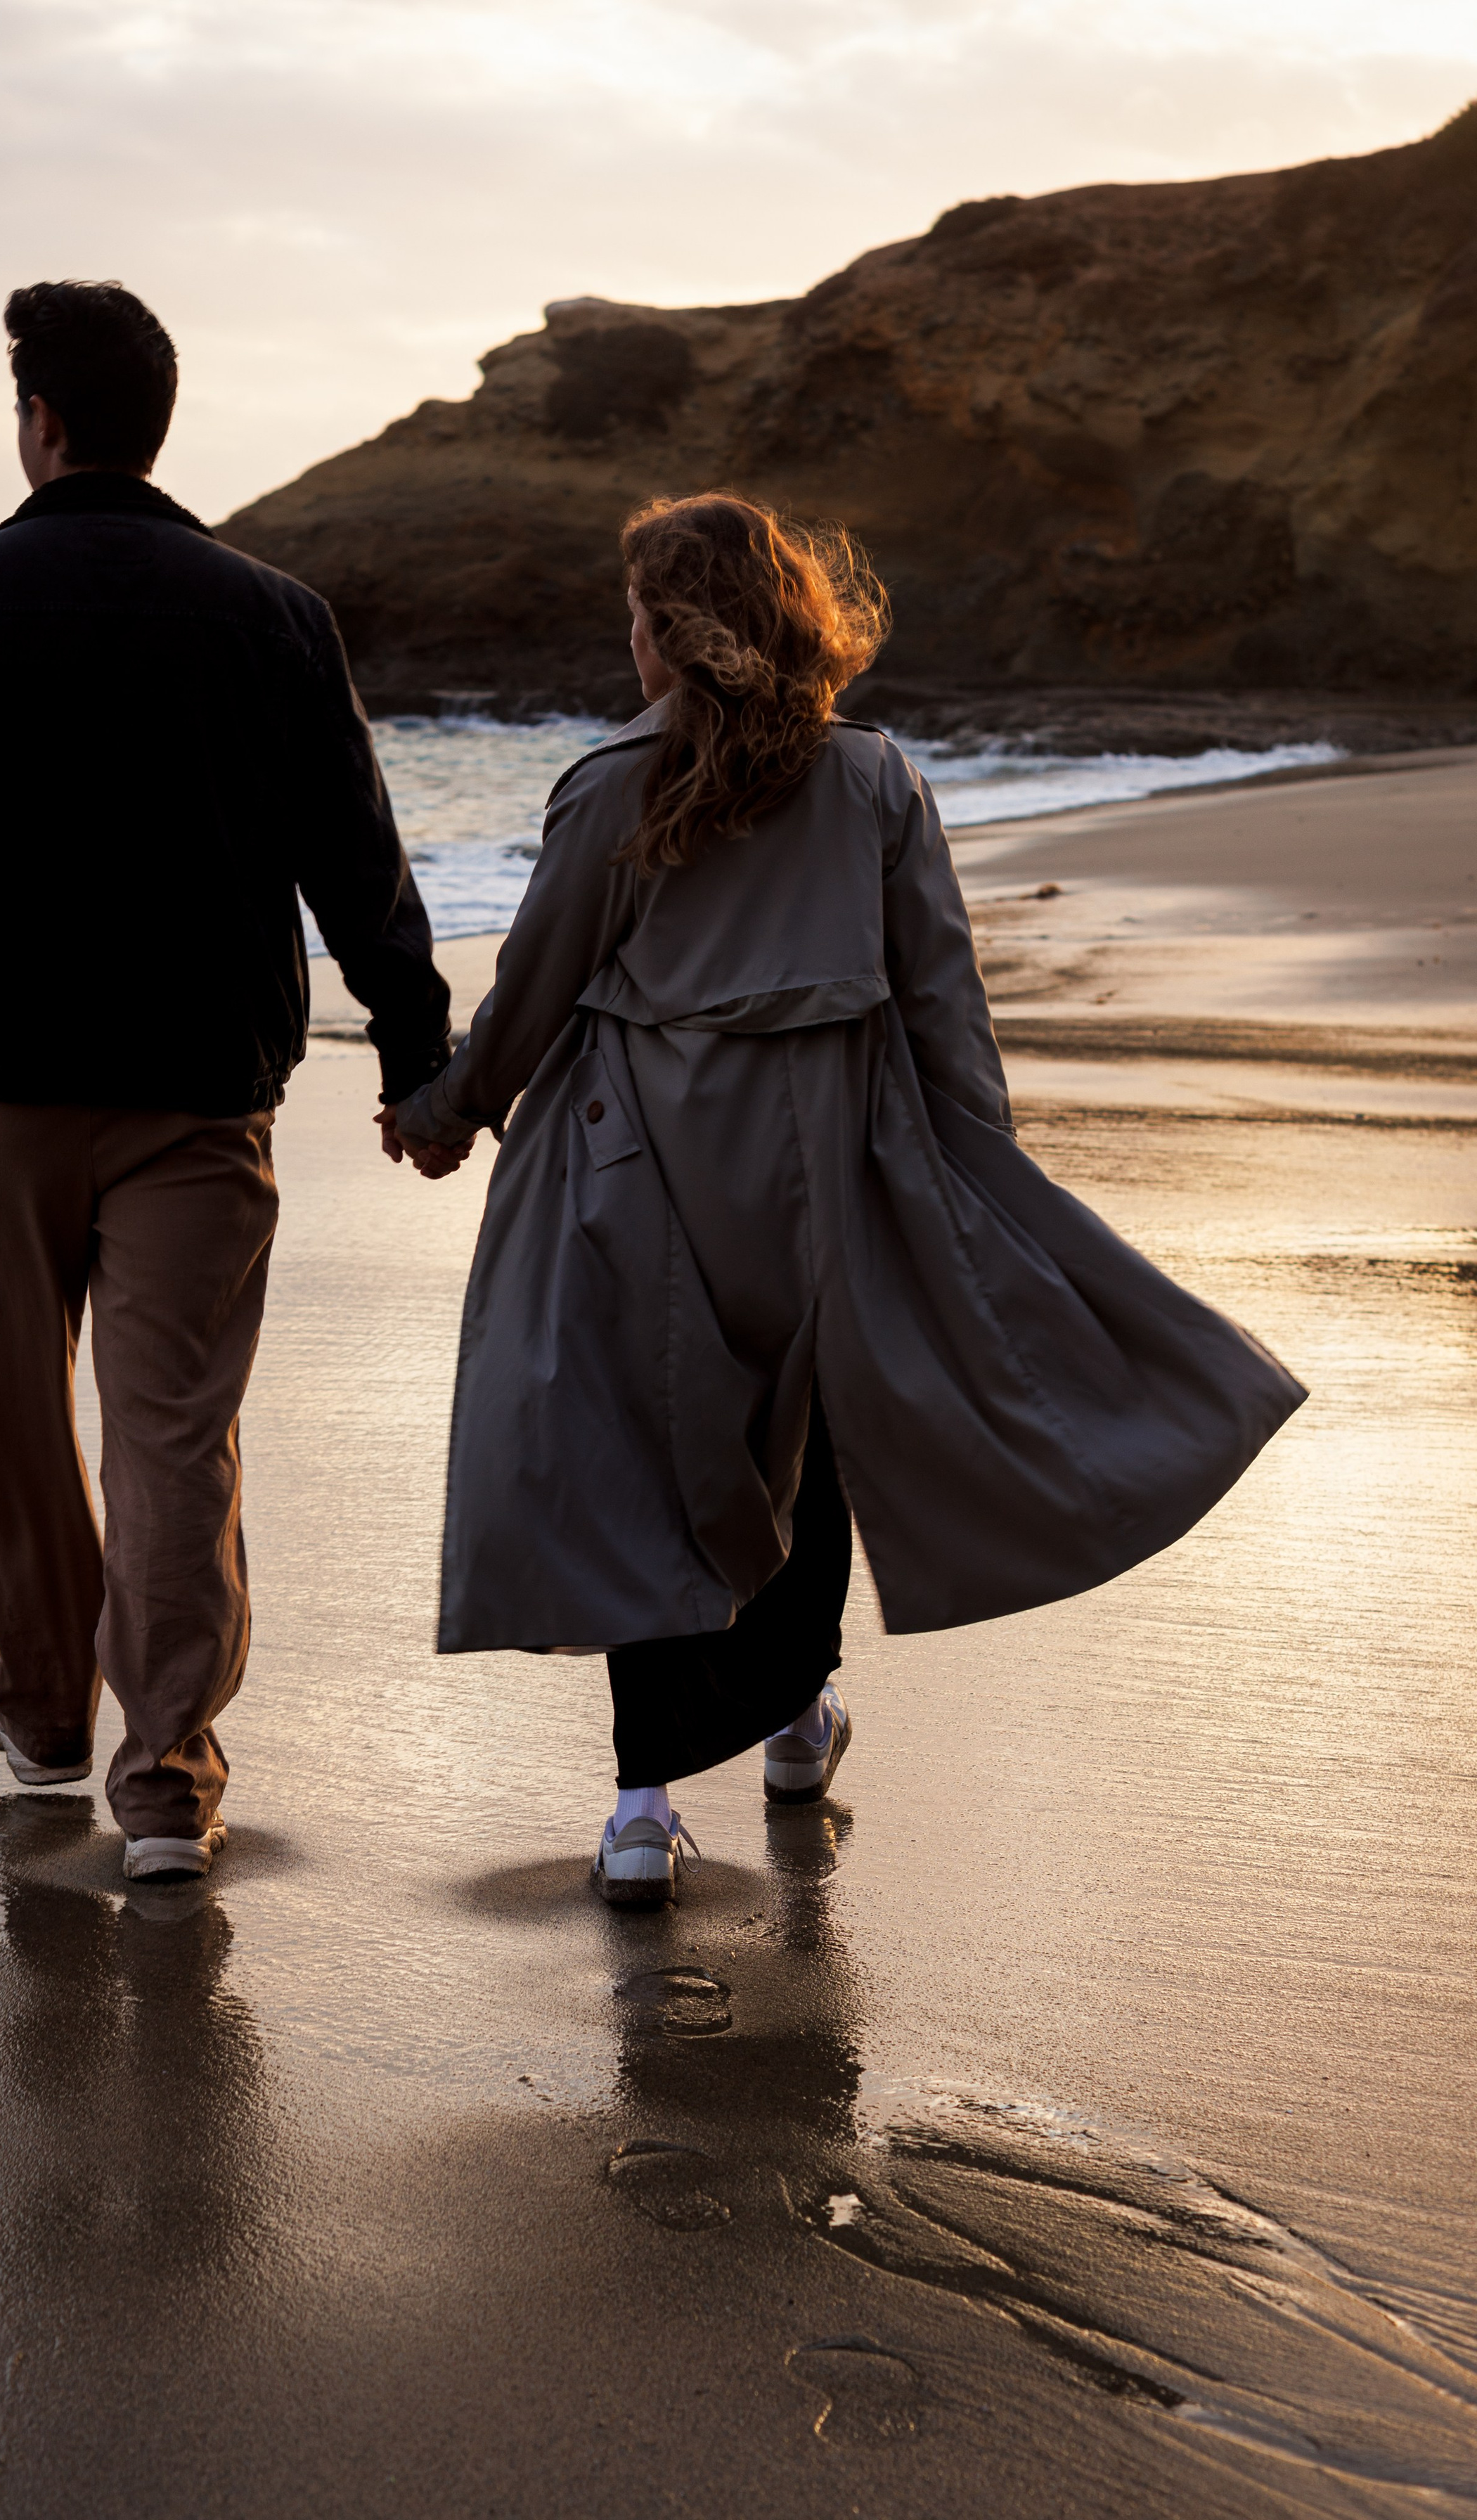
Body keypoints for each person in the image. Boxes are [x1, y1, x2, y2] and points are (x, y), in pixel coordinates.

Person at [384, 491, 1305, 1907]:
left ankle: (641, 1807)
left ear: (668, 631)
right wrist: (970, 1177)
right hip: (833, 1166)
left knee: (661, 1459)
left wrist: (443, 1111)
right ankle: (798, 1725)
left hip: (642, 1167)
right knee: (804, 1452)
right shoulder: (874, 780)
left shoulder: (604, 783)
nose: (624, 638)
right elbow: (945, 1003)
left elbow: (532, 992)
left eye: (634, 614)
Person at [0, 280, 453, 1882]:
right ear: (156, 422)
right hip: (194, 1088)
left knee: (14, 1414)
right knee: (176, 1429)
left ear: (39, 421)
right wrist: (412, 1041)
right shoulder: (271, 613)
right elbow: (353, 857)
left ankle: (46, 1710)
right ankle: (165, 1775)